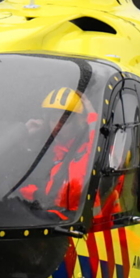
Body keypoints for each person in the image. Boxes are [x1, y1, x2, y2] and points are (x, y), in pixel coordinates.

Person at [18, 87, 98, 220]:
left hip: (85, 227)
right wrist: (23, 133)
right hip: (47, 220)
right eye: (53, 119)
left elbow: (99, 144)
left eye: (64, 121)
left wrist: (92, 116)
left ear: (80, 122)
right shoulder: (43, 152)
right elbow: (15, 182)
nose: (57, 126)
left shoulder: (89, 150)